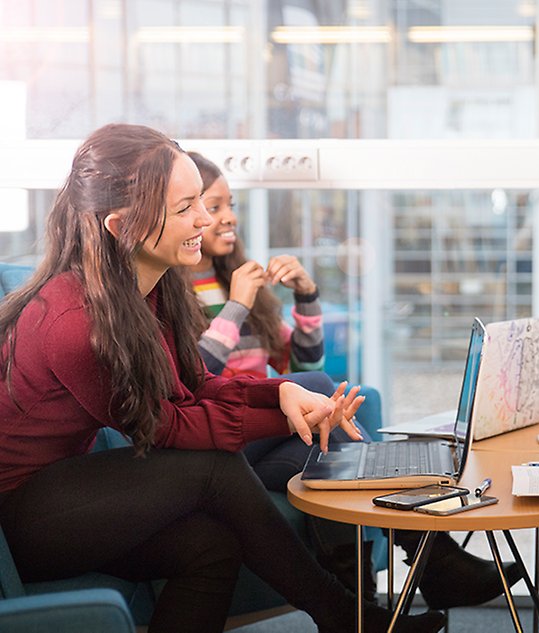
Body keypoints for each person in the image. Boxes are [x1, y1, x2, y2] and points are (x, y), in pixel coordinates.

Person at [0, 123, 445, 633]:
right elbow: (164, 427)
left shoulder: (149, 287)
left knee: (211, 549)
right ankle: (345, 618)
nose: (206, 219)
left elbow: (196, 383)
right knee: (213, 468)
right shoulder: (72, 324)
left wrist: (282, 392)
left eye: (202, 202)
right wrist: (286, 421)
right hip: (20, 517)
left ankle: (346, 617)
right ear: (122, 228)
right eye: (185, 208)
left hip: (70, 488)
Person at [185, 151, 521, 610]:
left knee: (331, 449)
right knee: (326, 393)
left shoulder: (235, 281)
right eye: (214, 206)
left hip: (263, 437)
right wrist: (238, 306)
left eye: (231, 206)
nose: (227, 219)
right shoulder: (179, 291)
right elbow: (194, 378)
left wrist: (306, 296)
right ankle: (431, 561)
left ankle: (363, 604)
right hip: (216, 440)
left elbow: (300, 366)